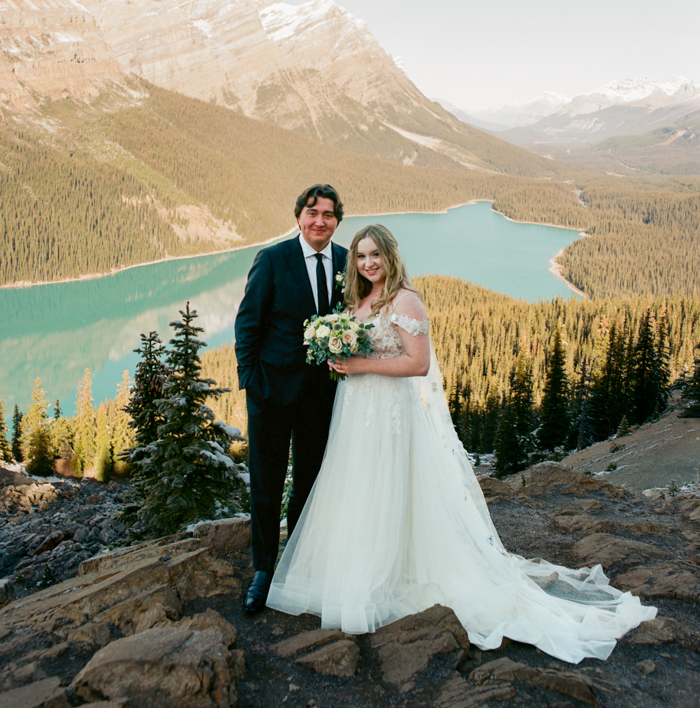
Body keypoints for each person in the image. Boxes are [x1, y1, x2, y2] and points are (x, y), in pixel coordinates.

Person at [266, 224, 656, 664]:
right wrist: (341, 358)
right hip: (358, 410)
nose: (368, 263)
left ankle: (389, 573)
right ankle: (354, 571)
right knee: (359, 484)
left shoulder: (405, 299)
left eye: (375, 255)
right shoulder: (361, 301)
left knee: (389, 484)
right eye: (360, 256)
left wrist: (360, 363)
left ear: (391, 256)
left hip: (390, 413)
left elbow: (418, 363)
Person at [234, 184, 348, 613]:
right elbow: (247, 324)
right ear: (298, 215)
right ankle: (263, 569)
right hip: (271, 392)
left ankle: (299, 562)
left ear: (338, 220)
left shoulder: (344, 261)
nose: (320, 221)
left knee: (309, 481)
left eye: (329, 214)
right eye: (312, 212)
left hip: (322, 395)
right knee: (265, 483)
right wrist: (251, 381)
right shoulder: (272, 259)